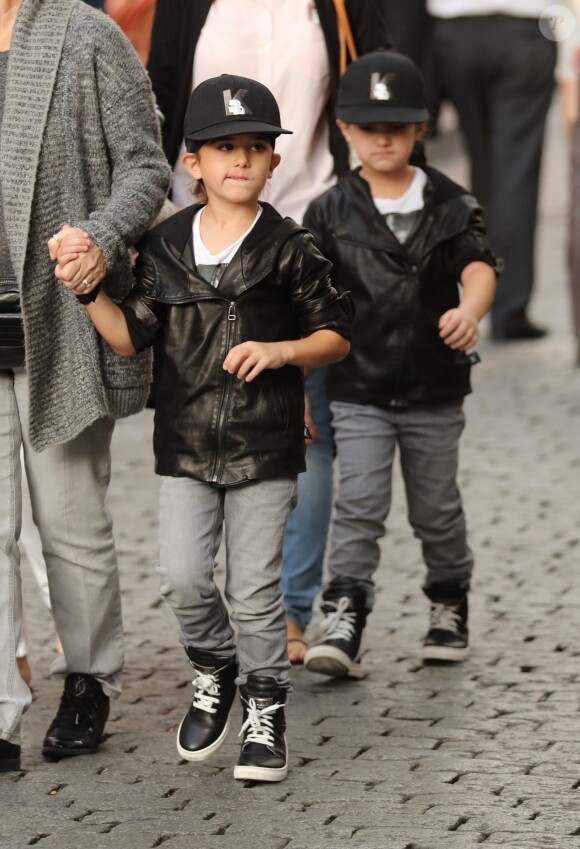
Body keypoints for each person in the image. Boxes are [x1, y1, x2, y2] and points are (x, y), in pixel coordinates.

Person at [56, 75, 351, 782]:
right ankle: (214, 664)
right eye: (224, 148)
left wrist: (283, 351)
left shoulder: (290, 247)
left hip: (268, 442)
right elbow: (130, 339)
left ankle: (265, 705)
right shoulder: (163, 248)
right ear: (192, 162)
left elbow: (336, 335)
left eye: (256, 147)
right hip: (185, 443)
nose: (241, 160)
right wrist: (91, 290)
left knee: (255, 590)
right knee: (184, 577)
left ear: (275, 162)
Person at [146, 0, 391, 664]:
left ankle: (287, 606)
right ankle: (214, 617)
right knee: (197, 410)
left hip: (307, 220)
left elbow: (372, 81)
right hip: (199, 233)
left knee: (303, 418)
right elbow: (160, 90)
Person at [0, 0, 170, 773]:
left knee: (67, 520)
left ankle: (89, 679)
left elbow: (146, 166)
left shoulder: (84, 32)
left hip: (55, 320)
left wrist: (100, 238)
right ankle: (0, 708)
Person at [300, 50, 497, 681]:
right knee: (358, 503)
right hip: (357, 389)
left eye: (397, 125)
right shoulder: (329, 212)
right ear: (345, 130)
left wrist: (471, 308)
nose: (382, 137)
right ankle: (345, 609)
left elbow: (478, 263)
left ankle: (448, 600)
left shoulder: (452, 202)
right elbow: (309, 300)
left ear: (420, 129)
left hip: (436, 390)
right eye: (367, 126)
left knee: (435, 507)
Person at [426, 0, 556, 340]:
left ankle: (476, 294)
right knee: (515, 173)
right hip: (524, 28)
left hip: (454, 29)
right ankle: (508, 307)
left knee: (484, 171)